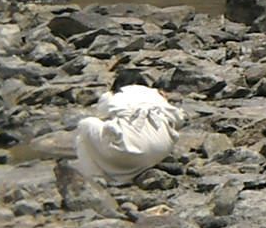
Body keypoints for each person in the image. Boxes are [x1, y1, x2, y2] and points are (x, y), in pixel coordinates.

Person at [62, 74, 183, 202]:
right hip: (160, 151)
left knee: (85, 125)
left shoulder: (113, 95)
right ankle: (136, 169)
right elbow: (179, 120)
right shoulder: (156, 94)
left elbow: (101, 115)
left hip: (130, 151)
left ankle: (96, 178)